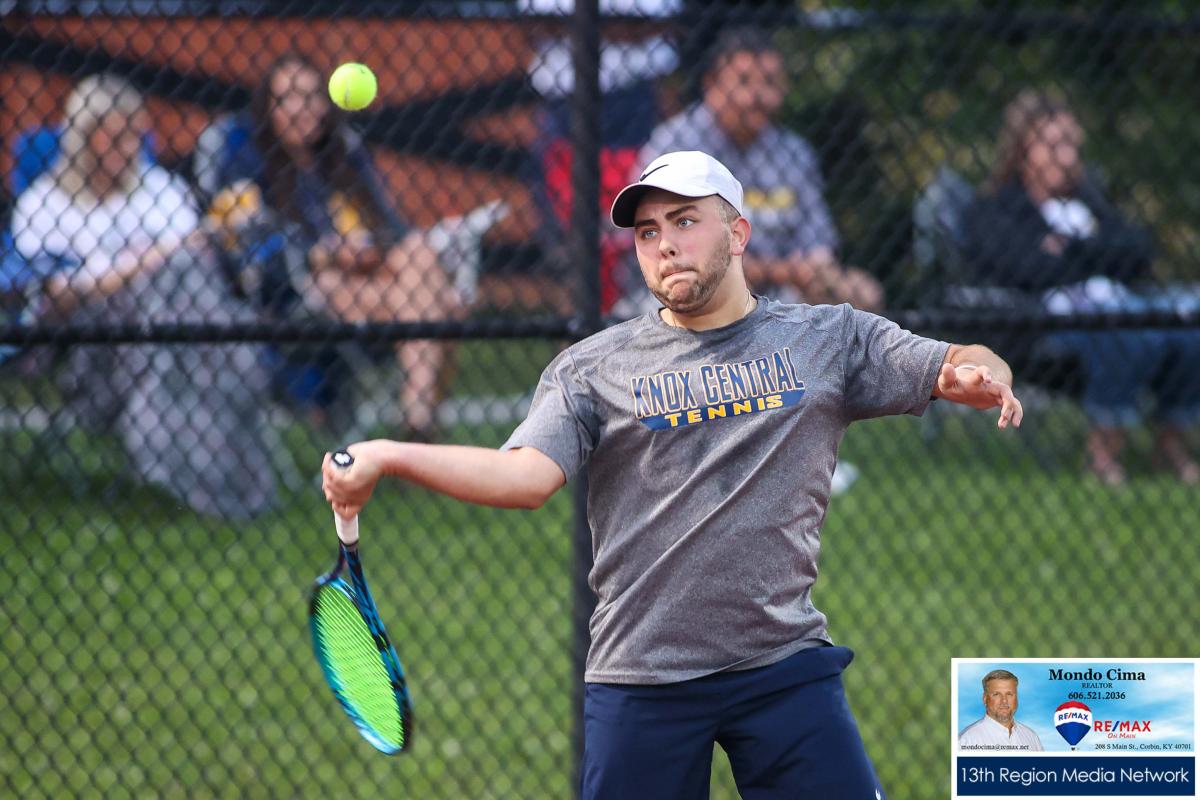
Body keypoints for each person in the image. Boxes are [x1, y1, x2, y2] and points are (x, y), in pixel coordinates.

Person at [323, 150, 1023, 799]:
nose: (664, 244)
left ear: (738, 233)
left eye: (685, 221)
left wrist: (979, 375)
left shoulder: (828, 339)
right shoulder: (593, 368)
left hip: (783, 664)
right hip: (642, 676)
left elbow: (956, 359)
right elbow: (523, 478)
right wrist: (389, 453)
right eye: (647, 231)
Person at [12, 74, 276, 518]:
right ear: (83, 139)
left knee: (183, 273)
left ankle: (192, 457)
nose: (127, 148)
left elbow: (195, 257)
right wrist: (146, 262)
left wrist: (144, 264)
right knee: (176, 274)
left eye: (134, 135)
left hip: (183, 328)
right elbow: (56, 295)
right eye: (112, 136)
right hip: (96, 341)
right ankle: (192, 441)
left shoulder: (159, 188)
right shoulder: (45, 204)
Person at [194, 53, 461, 438]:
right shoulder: (251, 162)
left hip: (374, 282)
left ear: (325, 104)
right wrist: (324, 253)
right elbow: (253, 250)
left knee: (418, 250)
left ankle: (416, 419)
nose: (300, 108)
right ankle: (419, 422)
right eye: (286, 98)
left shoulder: (341, 156)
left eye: (310, 96)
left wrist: (366, 249)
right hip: (299, 297)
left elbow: (391, 230)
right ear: (268, 109)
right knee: (443, 307)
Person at [962, 90, 1200, 485]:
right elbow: (1028, 270)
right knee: (1123, 327)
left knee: (1190, 317)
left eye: (1073, 144)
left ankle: (1170, 443)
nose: (1068, 156)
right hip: (1047, 323)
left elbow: (1139, 251)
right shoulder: (995, 208)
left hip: (1121, 303)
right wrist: (1094, 253)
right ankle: (1102, 455)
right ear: (1022, 151)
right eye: (1054, 145)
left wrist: (1071, 247)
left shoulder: (1090, 203)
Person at [613, 28, 883, 317]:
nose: (758, 96)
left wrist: (815, 271)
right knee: (729, 283)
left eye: (770, 82)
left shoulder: (793, 151)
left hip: (783, 290)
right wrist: (786, 270)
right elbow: (690, 255)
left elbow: (819, 250)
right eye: (743, 81)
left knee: (862, 292)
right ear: (711, 84)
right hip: (688, 285)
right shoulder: (676, 143)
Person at [958, 669, 1044, 751]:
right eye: (996, 694)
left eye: (1009, 694)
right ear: (985, 698)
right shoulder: (966, 740)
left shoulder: (1031, 737)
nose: (1004, 701)